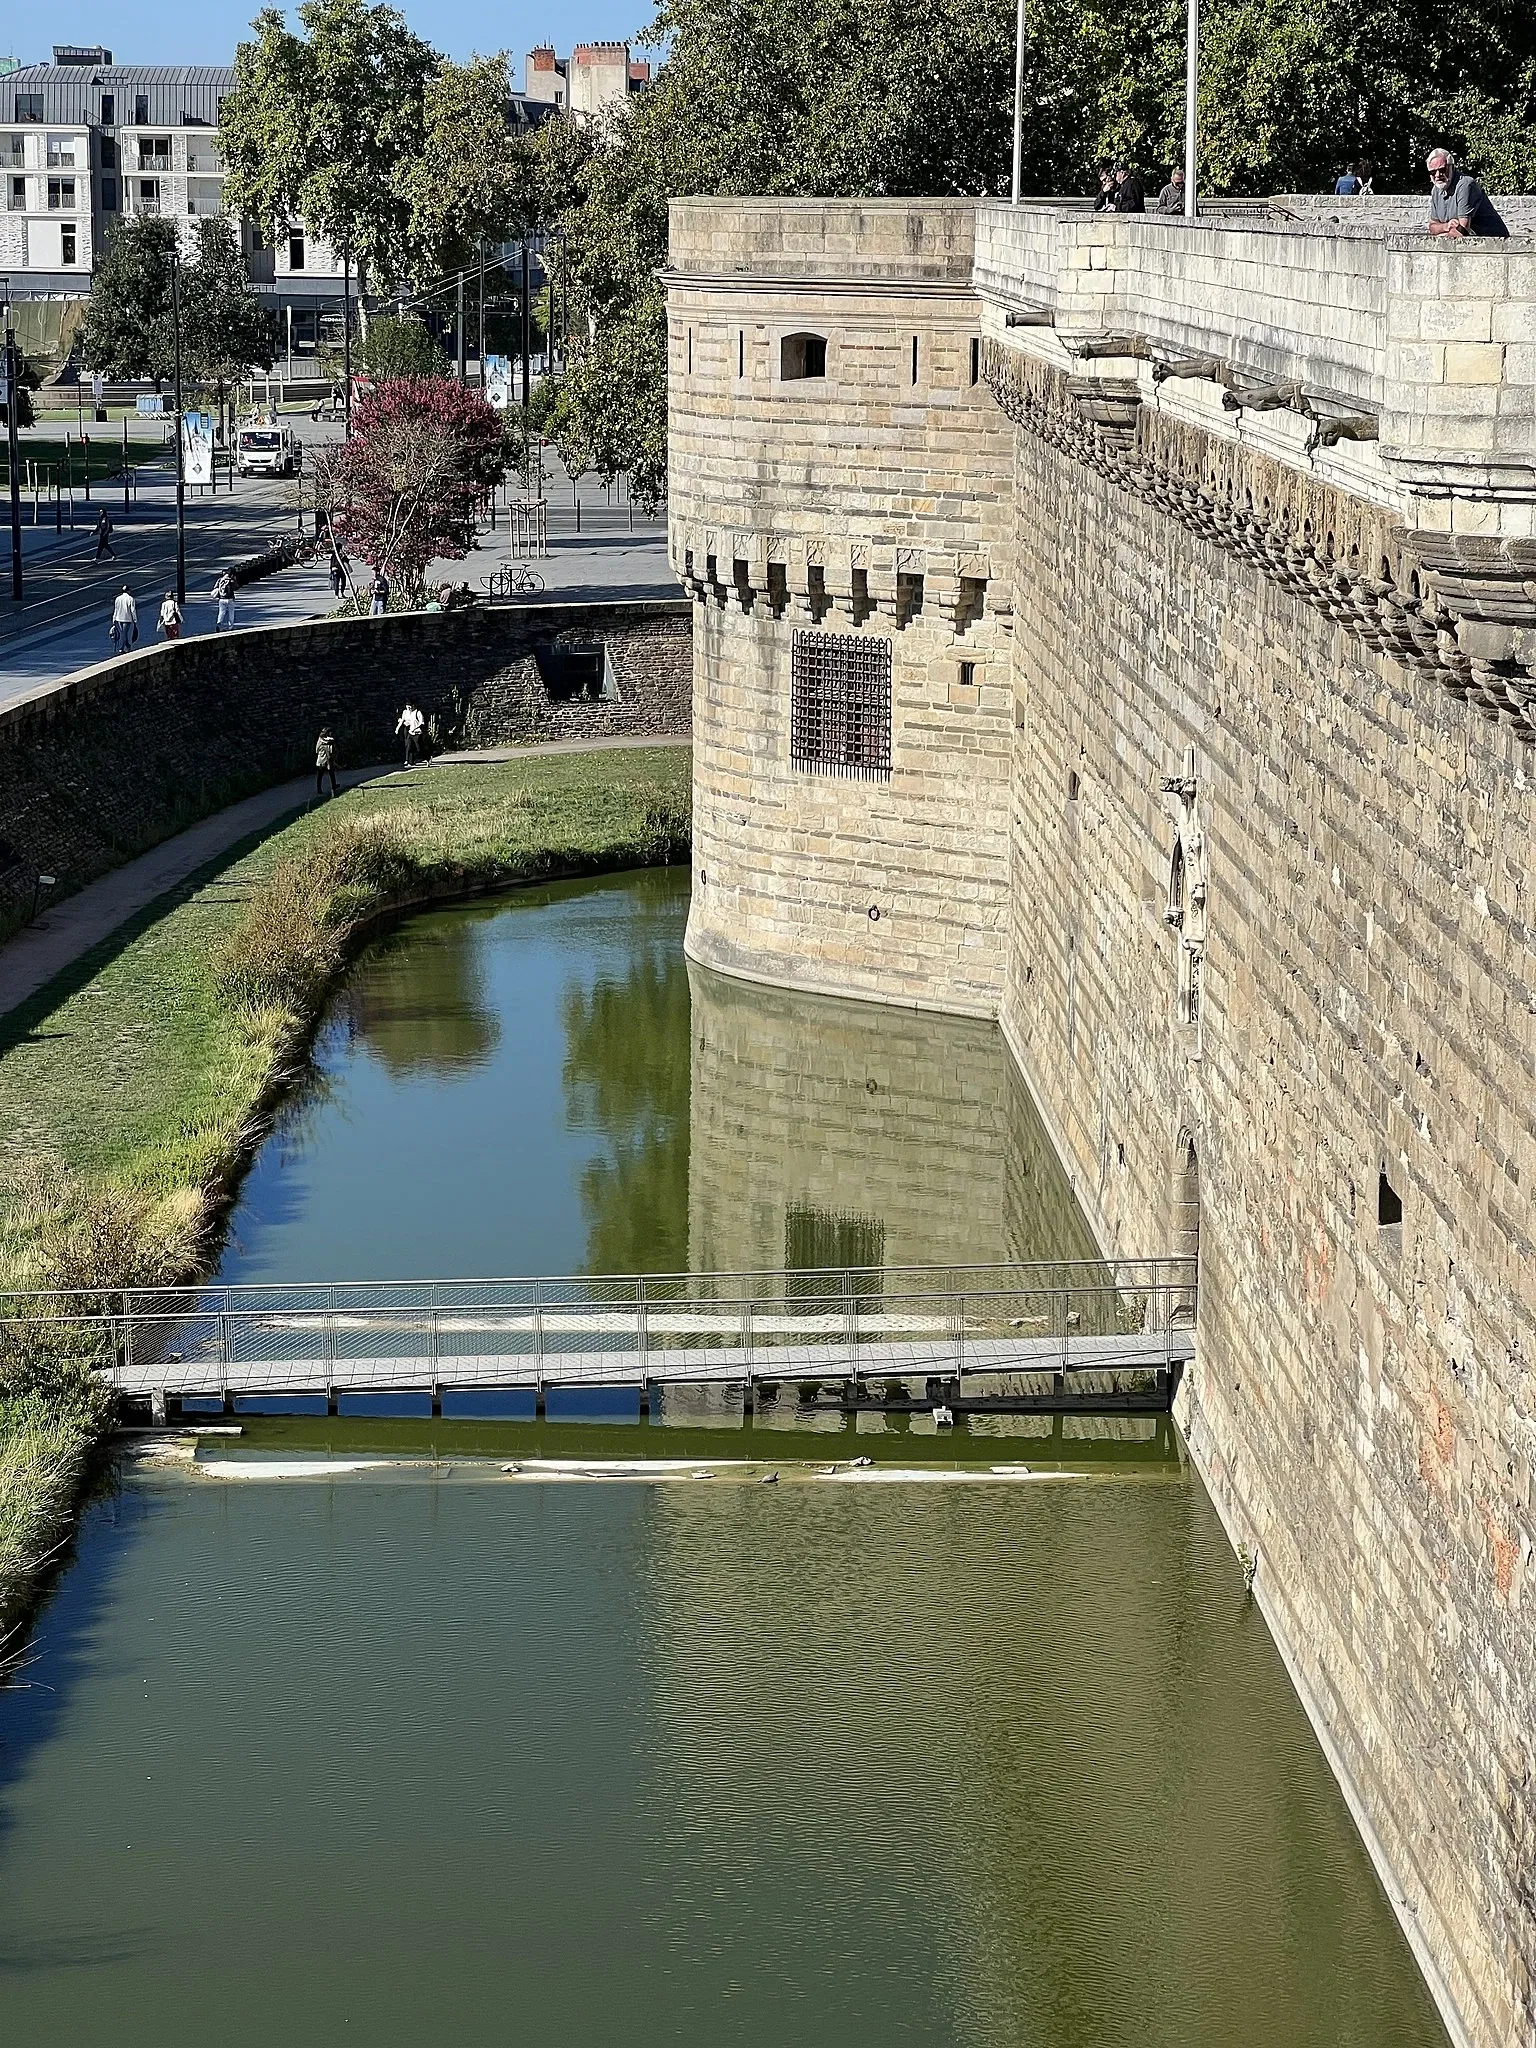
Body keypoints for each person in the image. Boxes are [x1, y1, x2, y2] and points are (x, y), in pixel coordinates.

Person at [1425, 148, 1508, 238]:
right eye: (1432, 172)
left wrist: (1442, 234)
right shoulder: (1436, 190)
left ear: (1452, 167)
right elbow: (1432, 227)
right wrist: (1446, 226)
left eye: (1442, 170)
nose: (1437, 175)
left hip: (1495, 244)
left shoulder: (1465, 185)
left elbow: (1462, 231)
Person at [109, 585, 138, 656]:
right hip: (127, 618)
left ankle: (127, 645)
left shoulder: (118, 598)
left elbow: (116, 609)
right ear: (128, 591)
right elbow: (133, 610)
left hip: (119, 618)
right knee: (124, 633)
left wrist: (114, 618)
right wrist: (135, 619)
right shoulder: (131, 599)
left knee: (123, 633)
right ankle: (122, 647)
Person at [395, 700, 425, 769]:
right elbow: (402, 720)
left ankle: (423, 757)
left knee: (417, 746)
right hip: (408, 729)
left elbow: (420, 722)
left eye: (410, 707)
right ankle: (408, 760)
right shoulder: (405, 712)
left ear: (413, 706)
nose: (409, 709)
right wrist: (397, 728)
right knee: (408, 744)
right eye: (407, 707)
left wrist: (415, 728)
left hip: (415, 729)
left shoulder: (416, 712)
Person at [315, 726, 338, 801]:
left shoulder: (328, 740)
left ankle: (334, 786)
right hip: (322, 760)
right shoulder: (321, 740)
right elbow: (317, 749)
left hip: (328, 760)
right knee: (320, 775)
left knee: (331, 773)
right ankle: (319, 789)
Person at [213, 567, 237, 632]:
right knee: (231, 613)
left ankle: (219, 623)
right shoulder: (231, 580)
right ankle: (230, 627)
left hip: (221, 599)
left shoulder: (221, 579)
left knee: (221, 612)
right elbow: (235, 588)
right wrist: (234, 581)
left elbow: (215, 587)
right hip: (230, 599)